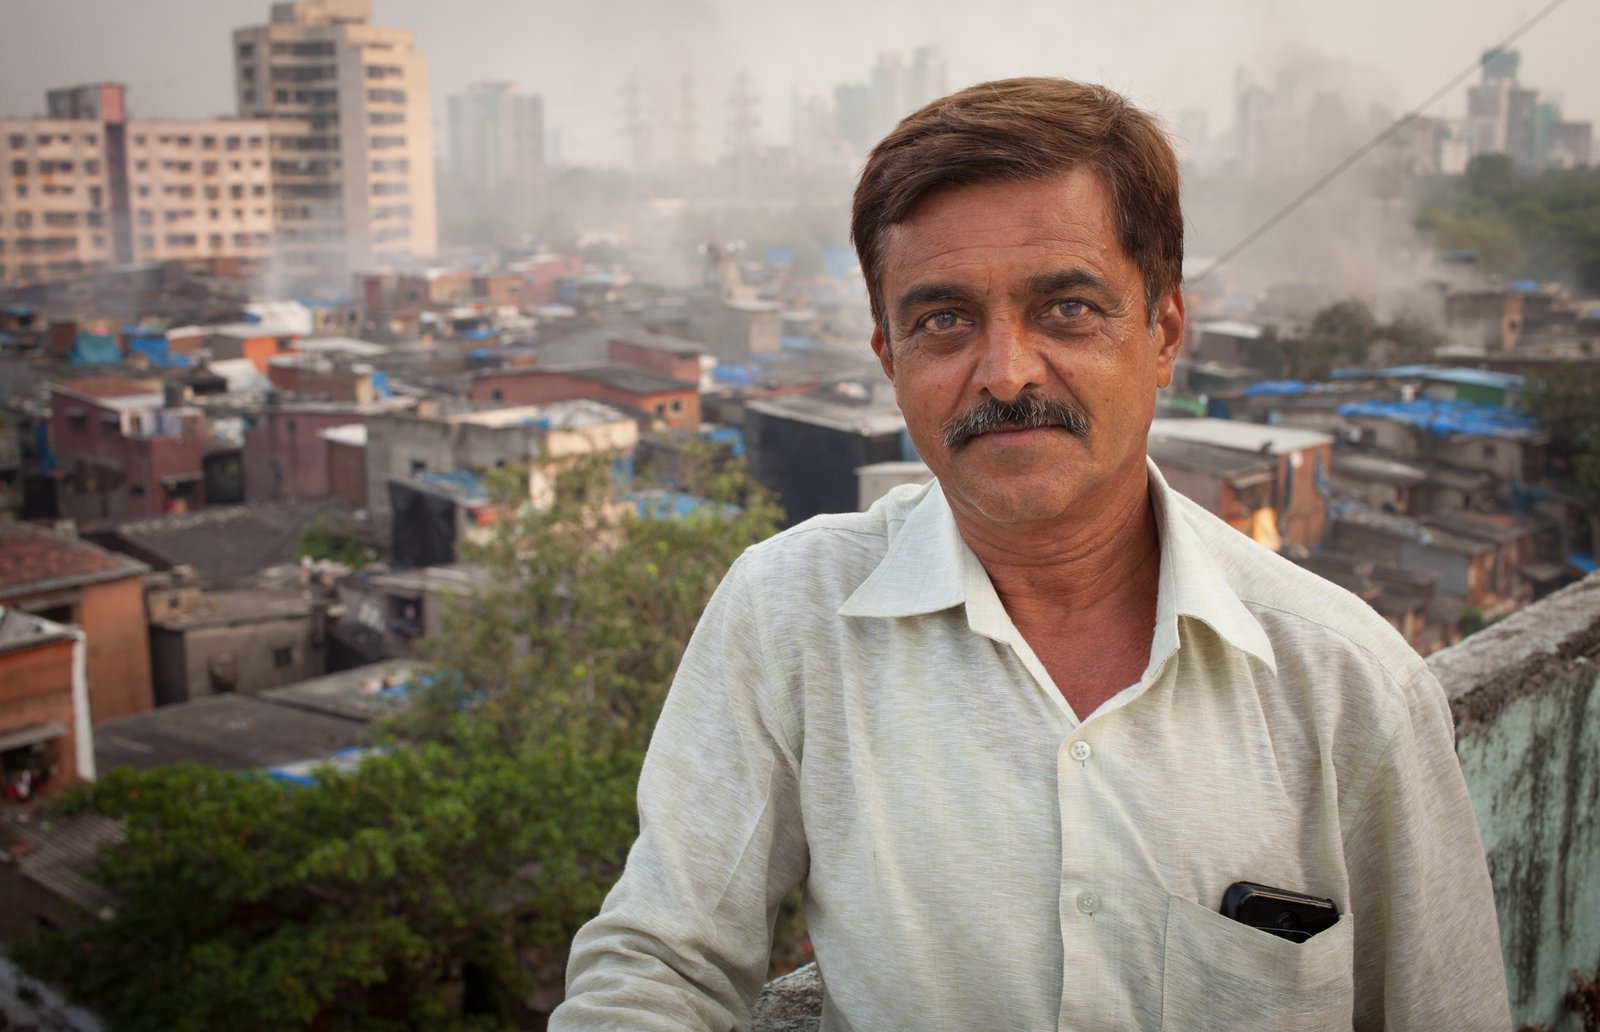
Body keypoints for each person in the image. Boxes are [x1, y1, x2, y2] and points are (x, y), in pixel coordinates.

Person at [551, 77, 1510, 1030]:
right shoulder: (791, 614)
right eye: (943, 320)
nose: (1004, 370)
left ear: (1164, 330)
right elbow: (660, 967)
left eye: (1067, 309)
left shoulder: (1345, 685)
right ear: (889, 358)